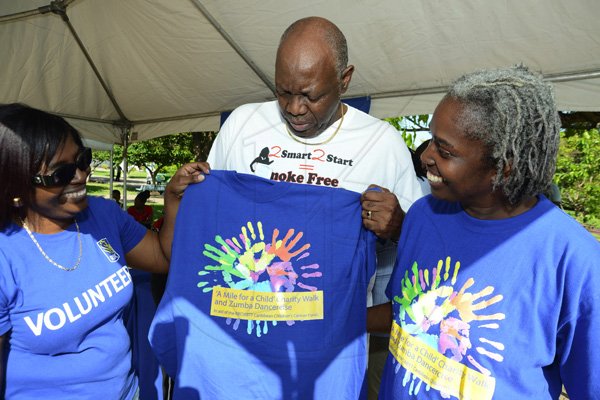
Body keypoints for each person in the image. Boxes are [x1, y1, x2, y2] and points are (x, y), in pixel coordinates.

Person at [152, 16, 425, 399]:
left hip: (325, 352)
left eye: (311, 96)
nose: (294, 108)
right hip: (237, 341)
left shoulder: (382, 144)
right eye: (283, 92)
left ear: (344, 80)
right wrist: (184, 196)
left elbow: (425, 252)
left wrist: (398, 225)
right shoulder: (243, 126)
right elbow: (208, 226)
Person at [368, 65, 600, 399]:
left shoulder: (574, 261)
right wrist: (342, 319)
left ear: (503, 164)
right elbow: (409, 314)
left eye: (445, 151)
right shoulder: (423, 216)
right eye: (431, 140)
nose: (426, 157)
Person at [0, 103, 176, 399]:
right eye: (61, 173)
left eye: (83, 159)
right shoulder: (7, 255)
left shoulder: (103, 214)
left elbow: (162, 257)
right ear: (16, 186)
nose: (80, 176)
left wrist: (172, 200)